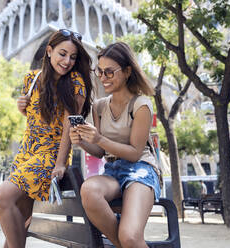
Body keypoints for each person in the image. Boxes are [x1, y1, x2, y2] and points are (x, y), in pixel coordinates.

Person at [0, 29, 93, 248]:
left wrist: (60, 163)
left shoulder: (76, 82)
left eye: (73, 57)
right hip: (26, 154)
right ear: (49, 51)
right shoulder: (31, 79)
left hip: (50, 156)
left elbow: (69, 124)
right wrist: (22, 110)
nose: (67, 61)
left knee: (2, 196)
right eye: (62, 53)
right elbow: (38, 120)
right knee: (19, 219)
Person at [69, 42, 161, 248]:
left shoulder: (141, 105)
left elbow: (135, 153)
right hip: (112, 171)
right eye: (99, 72)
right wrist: (82, 141)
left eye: (109, 72)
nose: (102, 78)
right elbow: (101, 152)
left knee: (130, 237)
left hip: (142, 170)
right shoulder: (99, 106)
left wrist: (99, 139)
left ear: (128, 71)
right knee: (89, 190)